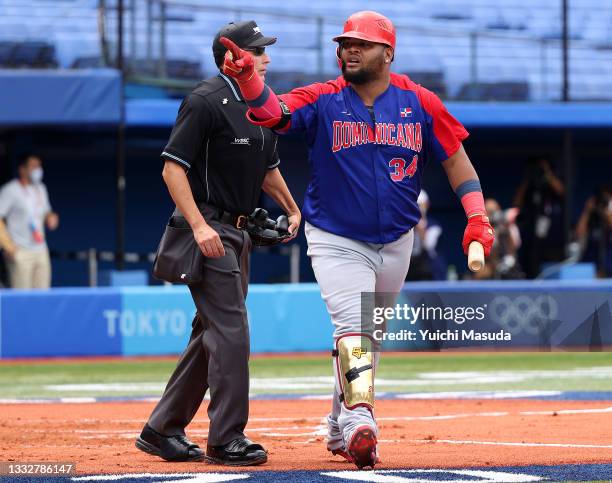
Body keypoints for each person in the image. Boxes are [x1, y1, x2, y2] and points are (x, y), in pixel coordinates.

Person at [220, 10, 494, 469]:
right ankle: (360, 420)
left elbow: (457, 161)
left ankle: (336, 425)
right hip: (336, 236)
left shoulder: (419, 102)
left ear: (387, 53)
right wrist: (250, 81)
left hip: (397, 240)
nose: (348, 49)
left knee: (369, 338)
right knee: (354, 328)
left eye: (360, 44)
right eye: (344, 42)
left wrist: (477, 216)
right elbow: (273, 113)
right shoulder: (324, 98)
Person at [135, 20, 301, 466]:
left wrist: (290, 206)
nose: (266, 58)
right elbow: (173, 169)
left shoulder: (262, 105)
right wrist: (200, 226)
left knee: (210, 333)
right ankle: (226, 438)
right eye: (258, 50)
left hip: (239, 232)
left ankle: (162, 429)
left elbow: (268, 167)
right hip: (208, 231)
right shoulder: (206, 99)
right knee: (232, 333)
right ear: (234, 57)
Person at [0, 154, 59, 289]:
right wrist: (9, 246)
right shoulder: (10, 190)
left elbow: (46, 211)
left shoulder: (41, 188)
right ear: (22, 169)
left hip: (41, 249)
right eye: (33, 166)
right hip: (20, 251)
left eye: (39, 166)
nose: (38, 170)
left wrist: (50, 217)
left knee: (43, 295)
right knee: (22, 298)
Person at [513, 156, 565, 278]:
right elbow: (516, 203)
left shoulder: (550, 184)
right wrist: (529, 178)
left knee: (551, 269)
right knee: (531, 264)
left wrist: (547, 172)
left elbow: (561, 191)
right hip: (531, 237)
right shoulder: (530, 186)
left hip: (552, 237)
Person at [472, 198, 523, 280]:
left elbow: (514, 247)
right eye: (489, 212)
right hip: (490, 266)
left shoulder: (509, 226)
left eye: (494, 211)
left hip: (510, 267)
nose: (492, 215)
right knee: (481, 273)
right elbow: (487, 254)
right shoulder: (480, 229)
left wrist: (505, 227)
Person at [406, 190, 446, 281]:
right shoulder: (403, 225)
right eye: (415, 205)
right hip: (409, 270)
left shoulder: (434, 226)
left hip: (431, 272)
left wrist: (420, 229)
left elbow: (429, 246)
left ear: (426, 204)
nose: (417, 208)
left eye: (420, 204)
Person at [575, 185, 612, 277]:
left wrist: (607, 211)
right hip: (590, 264)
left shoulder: (609, 216)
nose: (603, 202)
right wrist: (587, 211)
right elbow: (579, 233)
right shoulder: (592, 217)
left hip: (608, 265)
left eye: (606, 199)